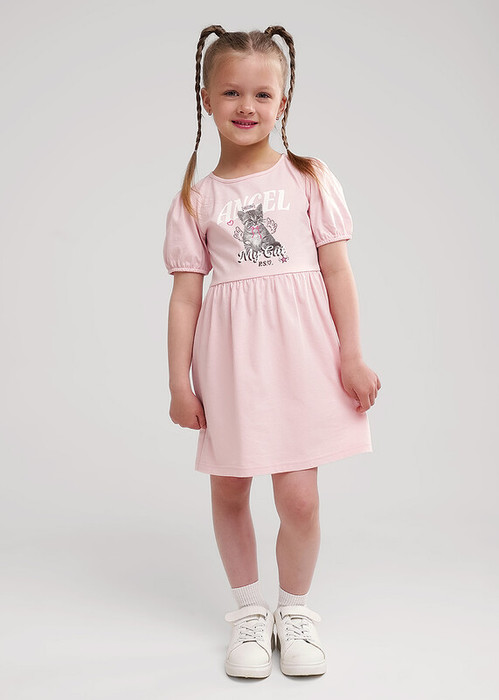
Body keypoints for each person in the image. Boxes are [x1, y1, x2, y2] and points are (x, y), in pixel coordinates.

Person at [163, 24, 381, 679]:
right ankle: (249, 614)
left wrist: (351, 356)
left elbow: (337, 271)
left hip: (302, 356)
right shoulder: (196, 199)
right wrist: (178, 382)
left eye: (262, 93)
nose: (246, 106)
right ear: (206, 98)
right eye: (231, 92)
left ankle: (295, 611)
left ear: (282, 101)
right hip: (232, 362)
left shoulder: (309, 178)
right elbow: (185, 298)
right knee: (231, 488)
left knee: (300, 497)